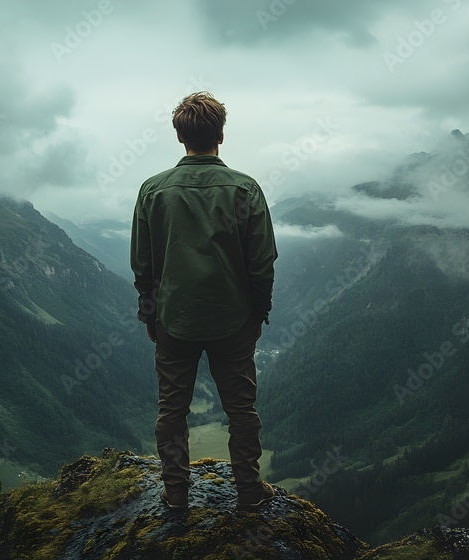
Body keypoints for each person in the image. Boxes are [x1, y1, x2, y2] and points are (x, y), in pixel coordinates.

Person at [130, 91, 278, 511]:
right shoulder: (244, 188)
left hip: (174, 320)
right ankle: (249, 491)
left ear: (180, 137)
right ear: (221, 134)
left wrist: (150, 315)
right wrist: (257, 315)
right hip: (233, 320)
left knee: (172, 410)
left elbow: (142, 264)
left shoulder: (152, 191)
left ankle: (176, 493)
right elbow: (262, 262)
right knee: (242, 410)